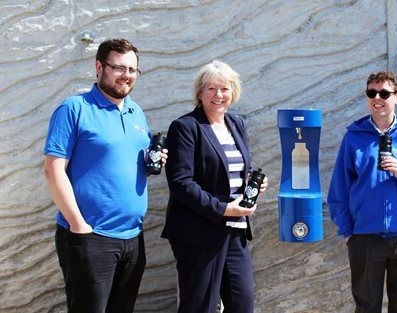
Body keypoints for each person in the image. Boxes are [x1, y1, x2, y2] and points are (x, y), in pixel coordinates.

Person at [43, 38, 168, 313]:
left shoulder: (137, 112)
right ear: (99, 67)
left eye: (133, 70)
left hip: (133, 238)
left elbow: (123, 163)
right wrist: (78, 225)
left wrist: (151, 162)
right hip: (90, 237)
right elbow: (53, 169)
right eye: (119, 67)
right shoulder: (74, 108)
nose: (126, 75)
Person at [327, 71, 397, 313]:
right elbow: (338, 191)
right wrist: (349, 232)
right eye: (371, 93)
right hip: (365, 237)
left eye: (384, 93)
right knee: (366, 307)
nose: (377, 98)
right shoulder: (353, 138)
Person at [161, 60, 267, 313]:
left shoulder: (236, 124)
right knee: (200, 307)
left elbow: (232, 169)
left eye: (225, 88)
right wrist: (222, 208)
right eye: (211, 88)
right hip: (199, 233)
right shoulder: (185, 127)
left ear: (233, 92)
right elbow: (180, 182)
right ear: (200, 92)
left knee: (242, 304)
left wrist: (252, 184)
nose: (218, 95)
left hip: (235, 232)